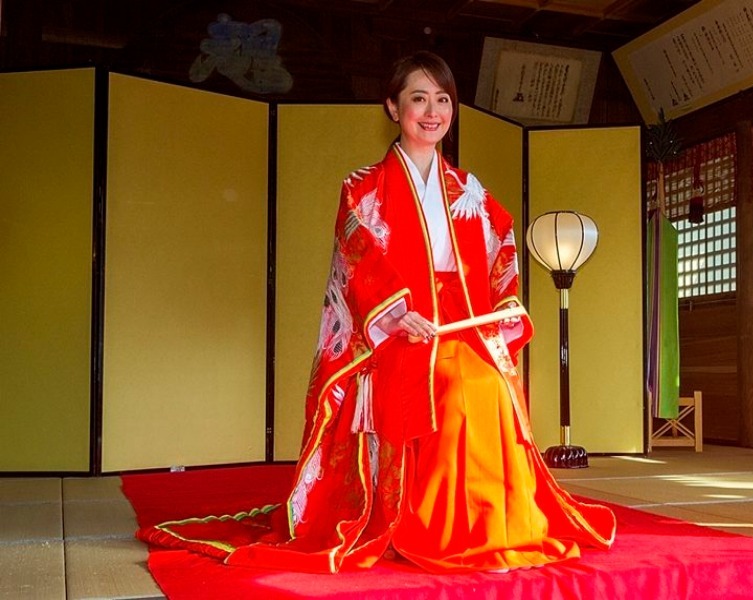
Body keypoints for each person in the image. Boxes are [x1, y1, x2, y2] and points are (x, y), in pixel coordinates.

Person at [138, 51, 615, 574]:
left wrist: (500, 304)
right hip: (395, 333)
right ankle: (430, 526)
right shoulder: (364, 187)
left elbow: (501, 247)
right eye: (418, 99)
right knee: (453, 391)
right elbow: (358, 258)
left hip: (457, 324)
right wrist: (396, 312)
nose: (431, 112)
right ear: (393, 108)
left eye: (442, 100)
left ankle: (495, 523)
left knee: (493, 388)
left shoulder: (468, 190)